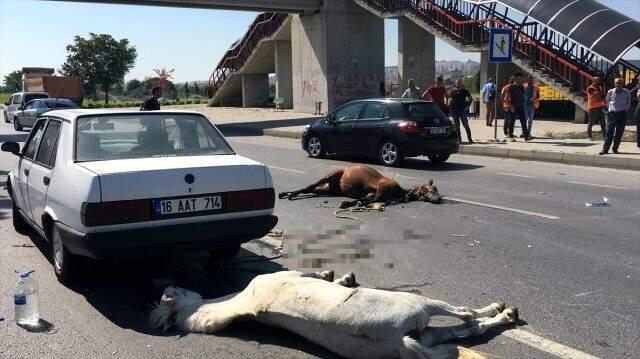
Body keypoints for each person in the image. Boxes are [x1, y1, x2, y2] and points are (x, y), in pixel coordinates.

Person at [599, 78, 631, 155]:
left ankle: (615, 148)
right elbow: (607, 101)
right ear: (614, 84)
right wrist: (610, 110)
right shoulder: (610, 92)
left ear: (622, 84)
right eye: (617, 83)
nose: (618, 85)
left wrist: (625, 109)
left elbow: (628, 102)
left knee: (619, 132)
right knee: (609, 131)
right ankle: (605, 149)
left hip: (622, 114)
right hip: (612, 114)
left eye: (620, 83)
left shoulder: (626, 92)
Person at [505, 73, 531, 141]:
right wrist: (510, 106)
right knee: (512, 121)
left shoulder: (522, 87)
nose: (520, 80)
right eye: (519, 78)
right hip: (513, 106)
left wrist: (524, 100)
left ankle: (526, 136)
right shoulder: (511, 87)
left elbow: (523, 96)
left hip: (520, 106)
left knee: (523, 121)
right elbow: (507, 97)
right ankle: (510, 136)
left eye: (521, 78)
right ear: (515, 78)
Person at [449, 78, 474, 144]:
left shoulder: (465, 90)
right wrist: (450, 106)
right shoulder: (452, 91)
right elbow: (450, 100)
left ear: (461, 83)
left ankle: (470, 139)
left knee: (466, 125)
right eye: (456, 83)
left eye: (459, 83)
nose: (458, 84)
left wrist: (467, 106)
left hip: (462, 110)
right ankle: (459, 139)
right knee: (457, 126)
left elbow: (471, 99)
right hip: (454, 111)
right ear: (455, 83)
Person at [586, 77, 607, 141]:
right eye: (598, 80)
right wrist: (601, 94)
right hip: (593, 109)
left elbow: (602, 96)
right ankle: (589, 136)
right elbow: (597, 95)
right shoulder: (590, 88)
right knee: (591, 123)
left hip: (600, 108)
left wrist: (602, 94)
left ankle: (605, 137)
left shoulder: (599, 87)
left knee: (603, 124)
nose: (599, 81)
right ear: (594, 81)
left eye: (599, 80)